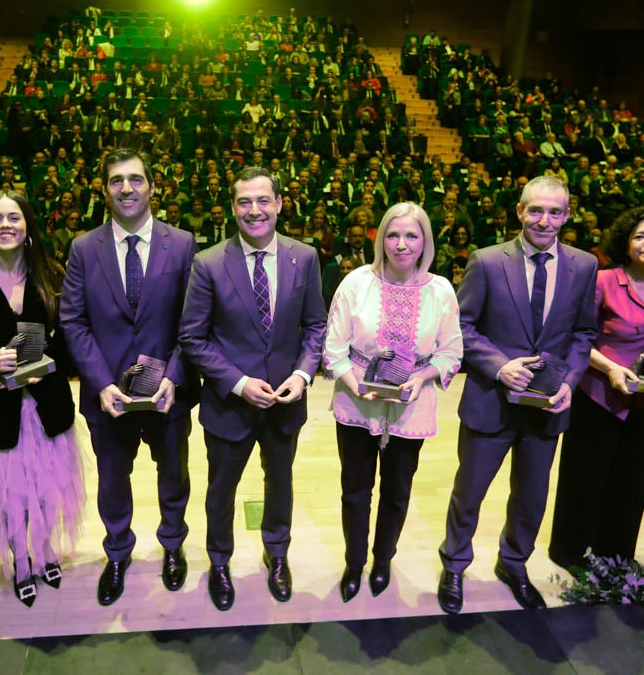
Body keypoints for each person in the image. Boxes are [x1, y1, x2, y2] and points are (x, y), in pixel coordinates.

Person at [438, 175, 599, 614]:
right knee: (469, 492)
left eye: (554, 212)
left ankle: (514, 563)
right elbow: (461, 328)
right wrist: (498, 365)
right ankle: (454, 564)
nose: (543, 220)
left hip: (547, 406)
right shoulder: (487, 261)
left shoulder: (584, 266)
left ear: (566, 215)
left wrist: (569, 381)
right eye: (535, 210)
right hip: (490, 401)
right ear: (519, 212)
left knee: (530, 497)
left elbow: (584, 333)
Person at [178, 166, 327, 611]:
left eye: (263, 200)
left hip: (284, 404)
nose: (254, 210)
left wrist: (302, 375)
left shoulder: (305, 256)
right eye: (244, 202)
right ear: (233, 208)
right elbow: (192, 338)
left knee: (280, 484)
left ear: (280, 204)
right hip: (229, 404)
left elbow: (315, 326)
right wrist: (239, 383)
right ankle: (219, 562)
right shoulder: (208, 263)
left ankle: (276, 554)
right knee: (221, 491)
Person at [59, 149, 199, 607]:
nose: (126, 188)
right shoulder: (84, 247)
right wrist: (101, 384)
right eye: (116, 180)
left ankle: (173, 546)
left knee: (174, 476)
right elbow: (73, 321)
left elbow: (192, 321)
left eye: (136, 179)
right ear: (104, 190)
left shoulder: (181, 243)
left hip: (166, 394)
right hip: (110, 396)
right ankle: (117, 552)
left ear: (152, 186)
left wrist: (174, 376)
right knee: (112, 480)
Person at [0, 190, 85, 608]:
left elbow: (71, 341)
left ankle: (45, 553)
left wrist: (47, 361)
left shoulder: (52, 276)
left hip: (47, 403)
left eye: (14, 218)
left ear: (28, 227)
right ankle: (20, 562)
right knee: (9, 496)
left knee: (47, 489)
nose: (5, 225)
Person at [322, 203, 464, 603]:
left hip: (412, 403)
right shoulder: (356, 282)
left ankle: (383, 560)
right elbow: (333, 349)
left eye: (412, 236)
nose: (401, 244)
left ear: (425, 242)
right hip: (357, 403)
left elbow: (451, 352)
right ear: (380, 238)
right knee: (355, 489)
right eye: (393, 235)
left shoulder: (440, 289)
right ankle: (354, 563)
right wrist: (356, 384)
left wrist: (422, 377)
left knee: (398, 490)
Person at [548, 206, 644, 570]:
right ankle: (570, 552)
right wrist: (612, 369)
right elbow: (579, 337)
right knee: (585, 477)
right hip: (599, 393)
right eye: (639, 236)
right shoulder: (603, 280)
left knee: (633, 480)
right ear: (626, 243)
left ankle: (615, 555)